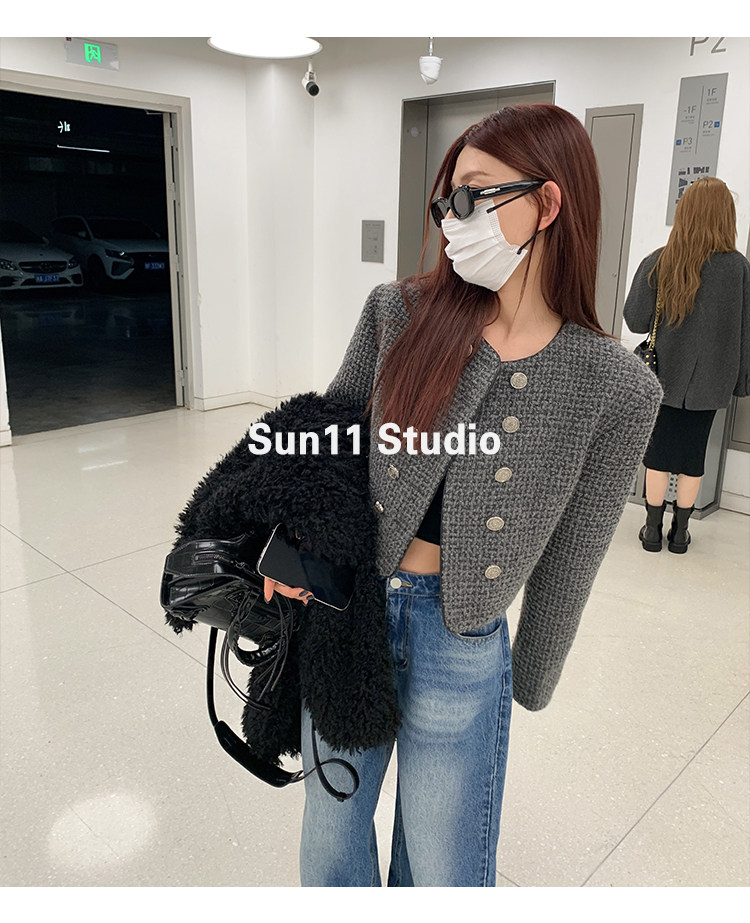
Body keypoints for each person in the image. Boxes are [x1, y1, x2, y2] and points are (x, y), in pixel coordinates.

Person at [265, 104, 662, 887]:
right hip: (351, 607)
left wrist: (535, 667)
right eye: (446, 200)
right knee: (331, 834)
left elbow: (576, 549)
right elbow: (331, 438)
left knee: (443, 861)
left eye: (474, 194)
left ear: (547, 202)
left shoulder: (616, 386)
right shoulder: (398, 312)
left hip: (464, 637)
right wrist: (290, 552)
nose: (453, 218)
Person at [624, 176, 750, 554]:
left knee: (658, 453)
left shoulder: (661, 260)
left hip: (663, 375)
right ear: (725, 216)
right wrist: (741, 382)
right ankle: (680, 534)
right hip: (712, 381)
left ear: (685, 213)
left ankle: (651, 531)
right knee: (694, 456)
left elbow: (635, 319)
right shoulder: (738, 268)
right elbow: (746, 331)